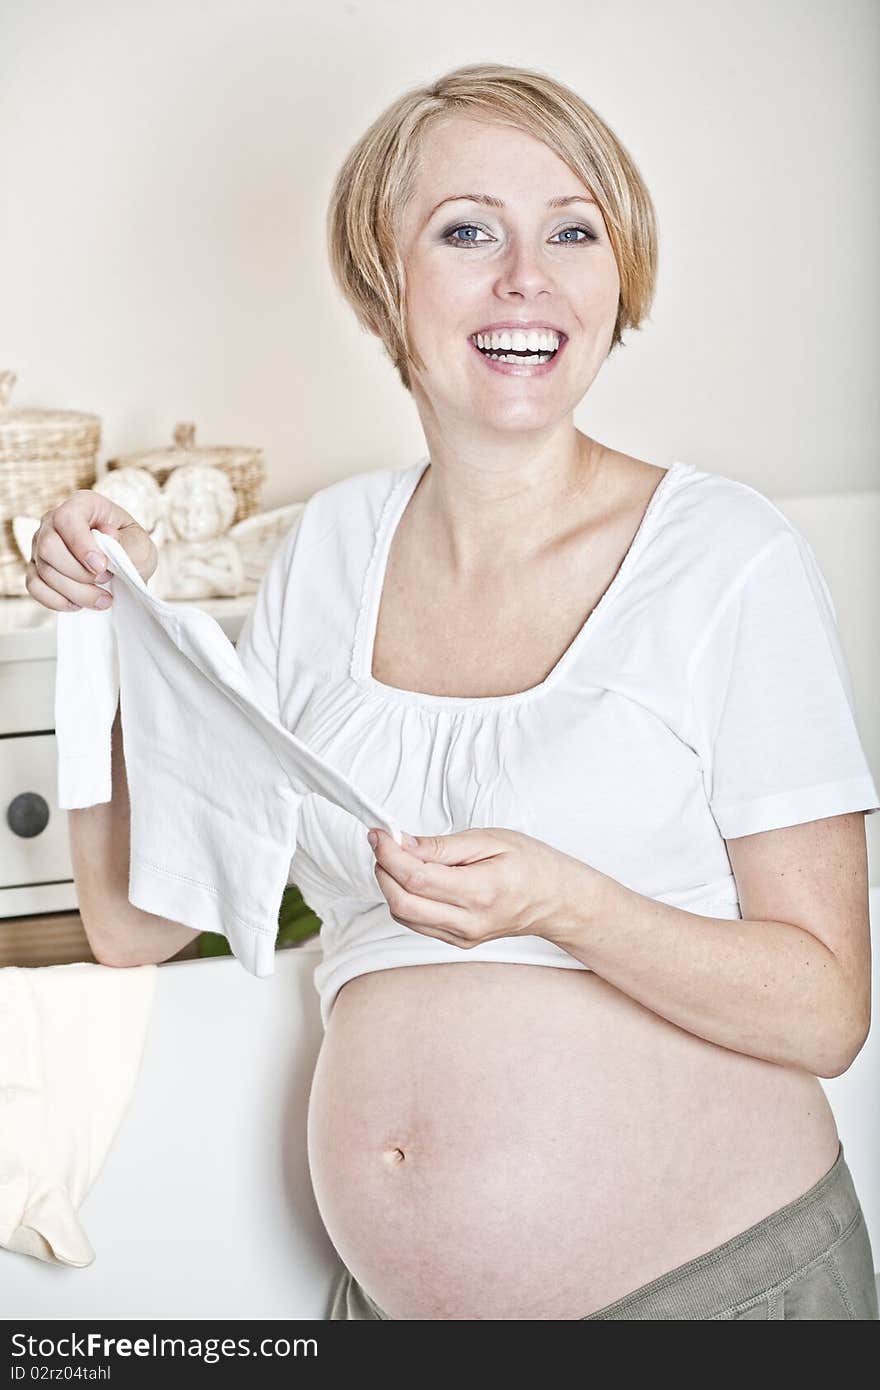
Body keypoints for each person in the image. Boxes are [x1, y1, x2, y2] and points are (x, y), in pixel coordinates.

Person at [28, 62, 879, 1320]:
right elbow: (134, 925)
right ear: (386, 281)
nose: (526, 278)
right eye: (468, 229)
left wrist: (568, 902)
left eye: (573, 231)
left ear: (616, 275)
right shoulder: (324, 550)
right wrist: (112, 638)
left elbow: (824, 1011)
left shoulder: (728, 557)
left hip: (716, 1297)